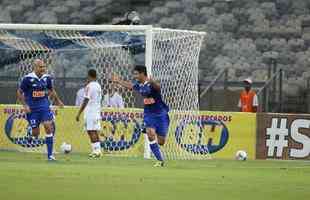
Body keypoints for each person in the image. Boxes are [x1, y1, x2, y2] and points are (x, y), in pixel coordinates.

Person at [112, 65, 169, 167]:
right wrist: (118, 81)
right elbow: (130, 86)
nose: (135, 76)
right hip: (149, 114)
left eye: (136, 74)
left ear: (142, 73)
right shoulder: (140, 84)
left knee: (161, 142)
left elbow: (158, 87)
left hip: (161, 115)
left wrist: (153, 82)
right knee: (150, 133)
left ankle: (158, 146)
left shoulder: (151, 84)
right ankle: (160, 160)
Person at [17, 59, 64, 161]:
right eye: (40, 67)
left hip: (44, 106)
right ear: (35, 67)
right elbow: (19, 92)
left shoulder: (47, 78)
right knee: (36, 133)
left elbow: (52, 90)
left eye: (44, 67)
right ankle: (31, 132)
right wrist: (25, 105)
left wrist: (58, 101)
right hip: (32, 109)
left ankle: (50, 155)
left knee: (48, 126)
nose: (43, 69)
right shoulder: (28, 79)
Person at [76, 69, 102, 158]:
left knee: (91, 131)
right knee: (94, 130)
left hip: (90, 112)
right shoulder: (98, 85)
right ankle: (97, 150)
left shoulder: (89, 86)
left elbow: (86, 100)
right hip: (96, 111)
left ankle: (96, 151)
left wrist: (79, 113)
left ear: (89, 76)